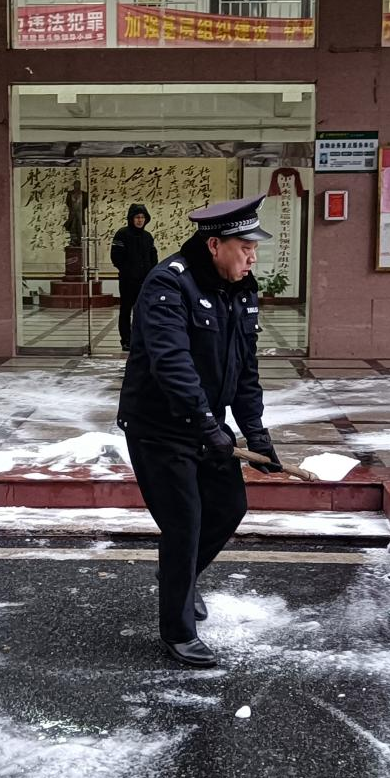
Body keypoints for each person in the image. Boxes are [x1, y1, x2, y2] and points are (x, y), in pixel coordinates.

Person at [117, 194, 282, 667]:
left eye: (255, 247)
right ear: (215, 244)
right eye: (245, 246)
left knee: (230, 506)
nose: (253, 256)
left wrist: (256, 433)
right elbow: (172, 365)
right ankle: (177, 629)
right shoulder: (168, 285)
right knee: (184, 524)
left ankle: (180, 577)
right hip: (158, 426)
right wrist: (208, 425)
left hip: (208, 424)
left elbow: (245, 369)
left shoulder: (241, 289)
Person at [110, 203, 159, 351]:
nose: (140, 220)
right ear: (131, 218)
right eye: (137, 217)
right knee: (126, 310)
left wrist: (151, 273)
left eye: (142, 217)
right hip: (127, 280)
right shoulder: (122, 234)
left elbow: (153, 257)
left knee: (143, 311)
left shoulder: (147, 237)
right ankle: (126, 339)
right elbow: (116, 257)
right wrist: (128, 272)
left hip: (144, 281)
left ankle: (141, 338)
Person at [63, 180, 88, 247]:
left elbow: (86, 204)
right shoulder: (70, 193)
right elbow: (68, 202)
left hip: (80, 212)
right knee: (72, 227)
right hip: (72, 213)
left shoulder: (84, 194)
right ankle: (73, 241)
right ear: (74, 185)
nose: (77, 186)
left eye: (78, 184)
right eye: (75, 184)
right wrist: (73, 209)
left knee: (79, 227)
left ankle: (79, 241)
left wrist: (80, 208)